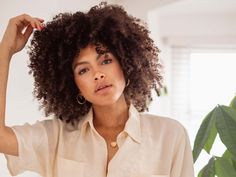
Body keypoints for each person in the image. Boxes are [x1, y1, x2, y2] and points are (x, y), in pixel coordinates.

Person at [0, 2, 195, 177]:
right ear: (72, 83)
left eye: (106, 60)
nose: (98, 74)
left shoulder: (170, 135)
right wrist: (5, 50)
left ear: (126, 64)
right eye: (83, 69)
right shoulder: (56, 136)